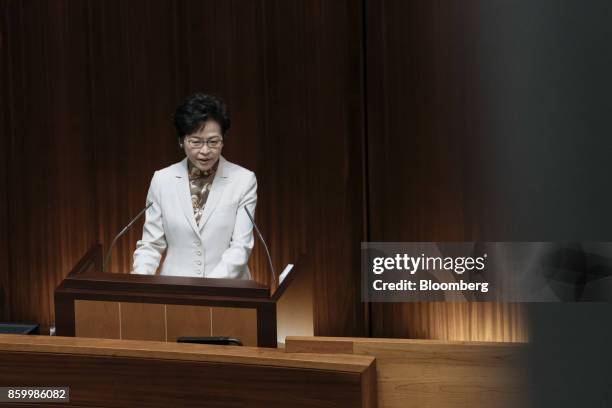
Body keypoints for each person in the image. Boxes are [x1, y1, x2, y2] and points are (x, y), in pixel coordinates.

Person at [132, 93, 256, 279]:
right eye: (196, 142)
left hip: (228, 291)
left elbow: (241, 246)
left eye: (213, 142)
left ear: (223, 139)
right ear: (181, 141)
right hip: (175, 290)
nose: (205, 151)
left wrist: (207, 289)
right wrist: (138, 282)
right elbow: (151, 244)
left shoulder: (243, 180)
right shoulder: (162, 180)